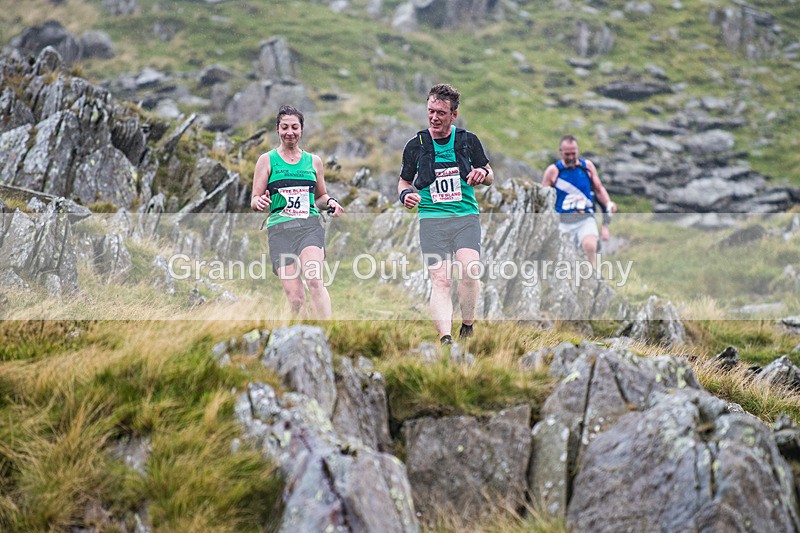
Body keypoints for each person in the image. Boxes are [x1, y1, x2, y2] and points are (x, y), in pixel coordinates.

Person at [397, 84, 494, 345]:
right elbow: (404, 181)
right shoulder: (415, 145)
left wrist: (482, 173)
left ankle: (467, 326)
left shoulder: (467, 141)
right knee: (441, 280)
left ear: (454, 114)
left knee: (470, 270)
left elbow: (489, 174)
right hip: (432, 220)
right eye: (431, 111)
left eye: (441, 112)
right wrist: (405, 196)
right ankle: (445, 339)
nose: (434, 117)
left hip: (465, 218)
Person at [251, 105, 344, 319]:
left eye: (294, 127)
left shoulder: (314, 161)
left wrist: (331, 202)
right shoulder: (267, 160)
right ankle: (304, 333)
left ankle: (326, 330)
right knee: (295, 299)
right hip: (279, 231)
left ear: (301, 129)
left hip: (308, 227)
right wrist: (260, 201)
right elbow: (254, 199)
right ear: (277, 129)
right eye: (285, 127)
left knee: (314, 280)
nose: (289, 132)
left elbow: (320, 197)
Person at [542, 134, 616, 268]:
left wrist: (608, 204)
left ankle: (592, 275)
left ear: (578, 151)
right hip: (562, 221)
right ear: (560, 152)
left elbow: (599, 189)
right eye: (567, 154)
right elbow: (543, 198)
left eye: (573, 154)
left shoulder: (587, 167)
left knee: (590, 245)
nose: (571, 157)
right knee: (564, 259)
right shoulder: (553, 171)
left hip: (585, 218)